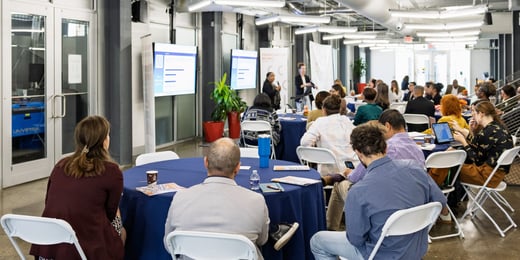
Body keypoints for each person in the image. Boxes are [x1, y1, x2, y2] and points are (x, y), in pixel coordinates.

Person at [310, 122, 446, 260]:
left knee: (317, 241)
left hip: (379, 254)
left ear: (358, 153)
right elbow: (440, 202)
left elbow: (356, 240)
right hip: (416, 249)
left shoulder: (358, 191)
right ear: (386, 147)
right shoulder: (415, 168)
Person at [163, 138, 299, 258]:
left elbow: (169, 245)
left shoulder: (180, 197)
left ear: (205, 162)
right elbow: (262, 240)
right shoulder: (255, 201)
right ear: (238, 167)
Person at [30, 116, 124, 260]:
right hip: (86, 250)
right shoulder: (111, 171)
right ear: (104, 141)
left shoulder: (61, 165)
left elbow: (48, 201)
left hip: (48, 249)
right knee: (121, 229)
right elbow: (110, 215)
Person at [326, 110, 430, 231]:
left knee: (341, 185)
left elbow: (357, 177)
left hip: (386, 205)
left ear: (387, 126)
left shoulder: (387, 148)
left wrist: (349, 173)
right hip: (415, 209)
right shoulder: (417, 148)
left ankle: (331, 228)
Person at [451, 101, 514, 187]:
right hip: (497, 176)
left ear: (481, 114)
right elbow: (478, 143)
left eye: (475, 113)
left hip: (486, 177)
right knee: (455, 162)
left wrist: (463, 142)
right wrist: (462, 130)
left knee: (450, 165)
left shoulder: (487, 132)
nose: (473, 116)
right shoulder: (498, 127)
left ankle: (437, 195)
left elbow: (477, 161)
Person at [301, 94, 357, 177]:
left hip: (328, 172)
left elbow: (304, 143)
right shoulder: (347, 121)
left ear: (323, 110)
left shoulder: (320, 122)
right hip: (352, 168)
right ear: (339, 109)